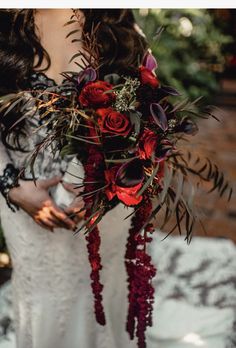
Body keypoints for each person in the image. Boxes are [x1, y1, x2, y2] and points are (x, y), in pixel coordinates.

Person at [0, 9, 148, 348]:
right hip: (22, 205)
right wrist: (12, 186)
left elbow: (146, 132)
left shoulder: (122, 34)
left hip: (104, 216)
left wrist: (110, 190)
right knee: (43, 304)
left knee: (101, 298)